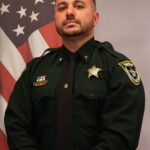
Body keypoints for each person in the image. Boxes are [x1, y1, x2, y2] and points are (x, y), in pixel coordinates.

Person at [4, 0, 145, 150]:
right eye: (62, 7)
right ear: (55, 19)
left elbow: (120, 136)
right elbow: (16, 125)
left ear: (95, 18)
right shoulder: (35, 70)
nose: (69, 12)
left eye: (79, 6)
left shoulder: (117, 68)